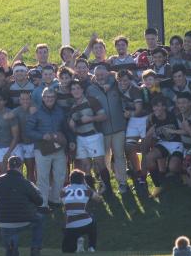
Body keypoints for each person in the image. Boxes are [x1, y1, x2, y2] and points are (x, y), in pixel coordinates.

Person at [26, 87, 71, 211]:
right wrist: (42, 136)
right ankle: (43, 204)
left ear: (55, 98)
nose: (49, 99)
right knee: (43, 177)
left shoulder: (60, 111)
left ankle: (55, 200)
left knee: (60, 175)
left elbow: (65, 128)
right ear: (43, 98)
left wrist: (69, 142)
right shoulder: (36, 112)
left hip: (59, 147)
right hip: (42, 149)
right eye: (47, 97)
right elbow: (28, 130)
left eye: (51, 97)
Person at [86, 63, 129, 194]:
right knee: (103, 158)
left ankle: (122, 182)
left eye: (102, 74)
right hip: (101, 131)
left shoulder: (115, 84)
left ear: (107, 74)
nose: (100, 77)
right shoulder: (90, 90)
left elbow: (117, 78)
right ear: (94, 76)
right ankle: (105, 183)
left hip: (118, 127)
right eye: (97, 75)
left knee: (119, 156)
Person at [0, 155, 44, 256]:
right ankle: (35, 247)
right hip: (24, 219)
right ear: (21, 167)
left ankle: (12, 247)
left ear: (8, 166)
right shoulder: (26, 183)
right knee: (39, 219)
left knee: (10, 242)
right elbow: (39, 201)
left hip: (4, 221)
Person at [60, 169, 101, 253]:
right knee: (92, 220)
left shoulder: (63, 190)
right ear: (83, 180)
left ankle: (78, 238)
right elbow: (98, 199)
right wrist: (87, 186)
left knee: (67, 250)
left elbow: (63, 205)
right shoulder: (86, 189)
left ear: (70, 179)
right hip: (85, 223)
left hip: (70, 225)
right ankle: (91, 247)